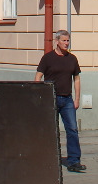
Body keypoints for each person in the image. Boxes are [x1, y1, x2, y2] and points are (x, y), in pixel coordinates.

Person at [35, 29, 85, 172]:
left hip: (67, 99)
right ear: (57, 41)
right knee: (50, 130)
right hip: (51, 98)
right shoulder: (48, 58)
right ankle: (46, 159)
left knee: (72, 129)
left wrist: (76, 99)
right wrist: (40, 97)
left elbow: (76, 79)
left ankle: (74, 161)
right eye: (64, 40)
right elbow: (38, 77)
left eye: (68, 40)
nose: (66, 43)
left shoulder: (72, 59)